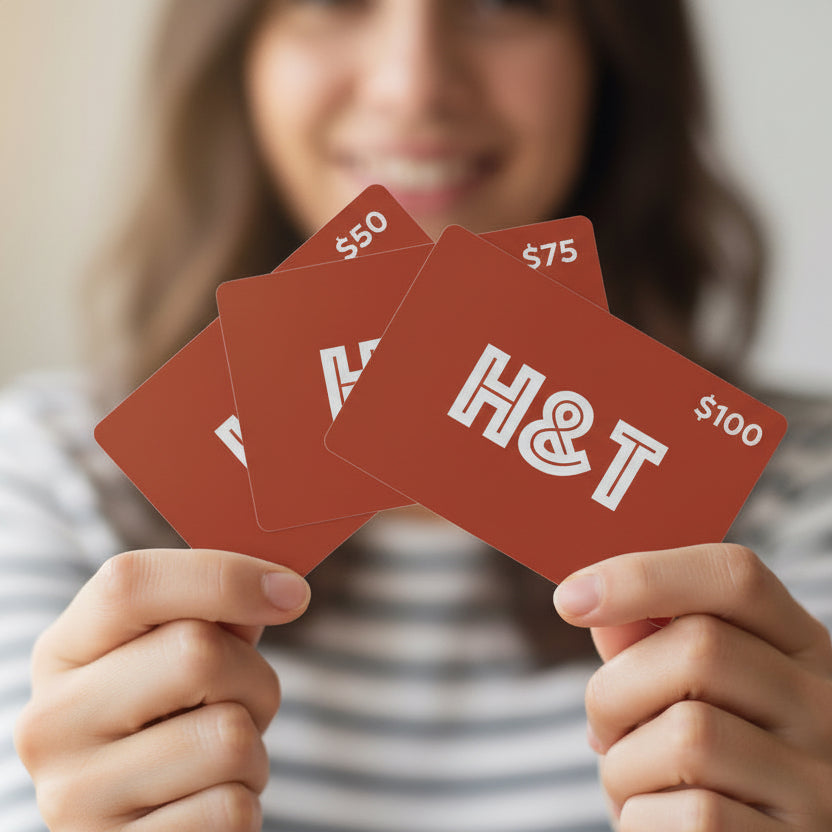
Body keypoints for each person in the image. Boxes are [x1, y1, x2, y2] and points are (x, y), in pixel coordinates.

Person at [2, 1, 831, 830]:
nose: (413, 86)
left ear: (611, 58)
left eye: (503, 2)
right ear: (237, 54)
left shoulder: (807, 494)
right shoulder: (50, 476)